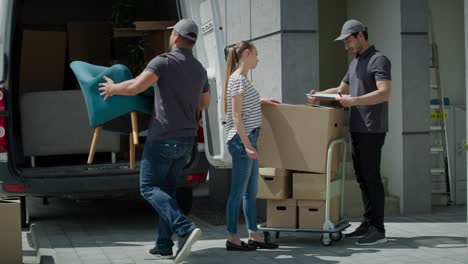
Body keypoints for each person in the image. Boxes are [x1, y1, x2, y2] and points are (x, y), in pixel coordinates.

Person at [99, 19, 210, 263]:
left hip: (163, 138)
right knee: (167, 189)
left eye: (172, 34)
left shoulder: (163, 62)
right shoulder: (200, 68)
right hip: (187, 139)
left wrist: (114, 88)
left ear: (176, 37)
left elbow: (138, 86)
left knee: (148, 187)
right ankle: (163, 244)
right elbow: (204, 104)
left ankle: (184, 227)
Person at [307, 19, 391, 246]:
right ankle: (368, 223)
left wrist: (354, 100)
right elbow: (340, 90)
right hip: (357, 127)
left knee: (372, 178)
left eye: (348, 41)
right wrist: (320, 95)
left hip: (372, 128)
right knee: (362, 178)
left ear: (361, 35)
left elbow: (384, 93)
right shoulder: (355, 63)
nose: (346, 46)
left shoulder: (379, 59)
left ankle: (378, 229)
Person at [224, 40, 280, 251]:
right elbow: (237, 117)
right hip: (242, 141)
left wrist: (262, 101)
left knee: (250, 192)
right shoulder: (237, 79)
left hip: (248, 139)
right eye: (256, 54)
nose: (258, 59)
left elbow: (244, 105)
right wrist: (248, 146)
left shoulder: (241, 80)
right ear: (247, 53)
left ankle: (254, 234)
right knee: (238, 192)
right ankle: (232, 237)